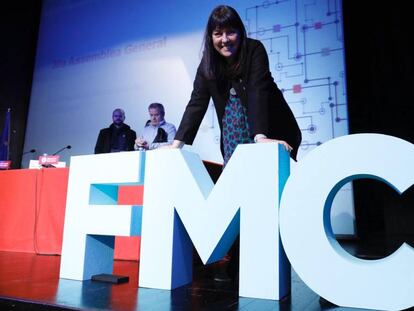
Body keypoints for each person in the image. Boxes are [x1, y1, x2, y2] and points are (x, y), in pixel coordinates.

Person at [169, 5, 302, 281]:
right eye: (218, 33)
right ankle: (240, 262)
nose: (225, 39)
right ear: (211, 36)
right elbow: (197, 102)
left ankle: (289, 258)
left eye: (231, 32)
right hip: (233, 137)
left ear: (240, 32)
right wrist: (177, 144)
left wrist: (261, 136)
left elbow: (257, 91)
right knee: (239, 194)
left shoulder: (254, 50)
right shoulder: (208, 63)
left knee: (276, 199)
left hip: (273, 130)